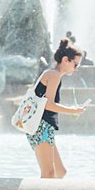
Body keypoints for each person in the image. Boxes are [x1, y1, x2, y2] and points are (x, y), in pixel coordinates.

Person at [27, 38, 88, 179]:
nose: (76, 68)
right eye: (75, 64)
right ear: (66, 60)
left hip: (44, 126)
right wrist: (74, 110)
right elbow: (48, 104)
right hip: (40, 125)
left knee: (60, 172)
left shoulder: (53, 75)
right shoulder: (53, 75)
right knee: (48, 173)